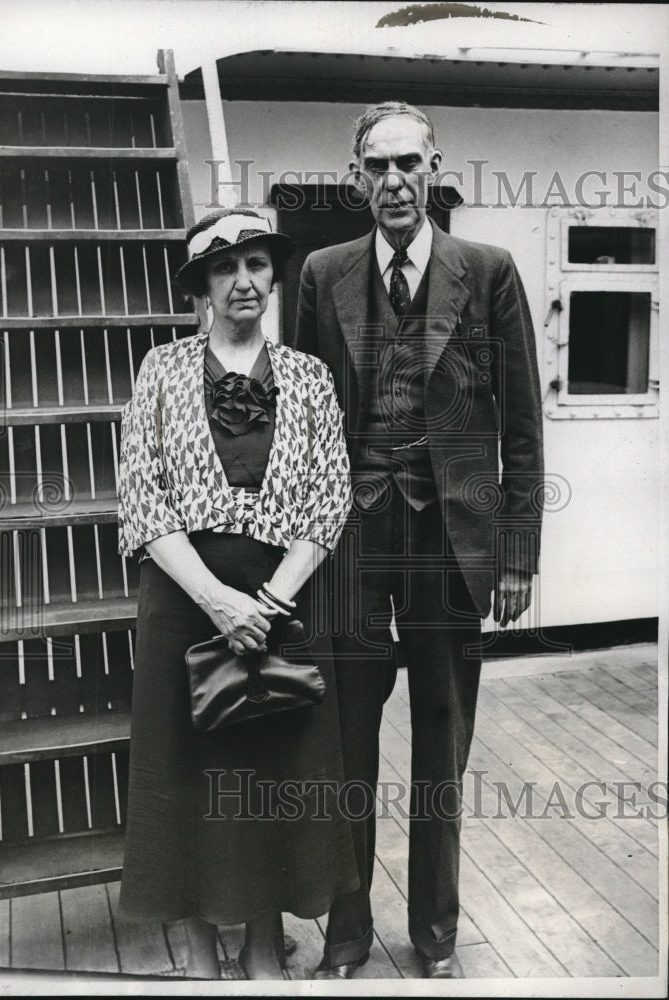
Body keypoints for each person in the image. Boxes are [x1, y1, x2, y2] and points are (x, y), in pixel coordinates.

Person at [295, 102, 544, 979]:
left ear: (434, 166)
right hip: (352, 538)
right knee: (343, 743)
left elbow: (520, 420)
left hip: (450, 541)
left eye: (408, 163)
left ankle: (435, 930)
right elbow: (300, 422)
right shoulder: (321, 274)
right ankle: (347, 929)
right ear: (355, 175)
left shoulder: (488, 271)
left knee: (441, 742)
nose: (393, 182)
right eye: (376, 166)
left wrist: (516, 555)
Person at [117, 208, 359, 980]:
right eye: (225, 268)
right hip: (184, 602)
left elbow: (330, 498)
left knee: (264, 778)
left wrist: (269, 602)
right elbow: (142, 497)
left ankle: (260, 944)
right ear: (202, 287)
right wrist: (219, 600)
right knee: (186, 774)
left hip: (280, 608)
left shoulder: (309, 379)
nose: (244, 281)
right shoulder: (160, 370)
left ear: (273, 275)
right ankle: (194, 946)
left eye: (256, 264)